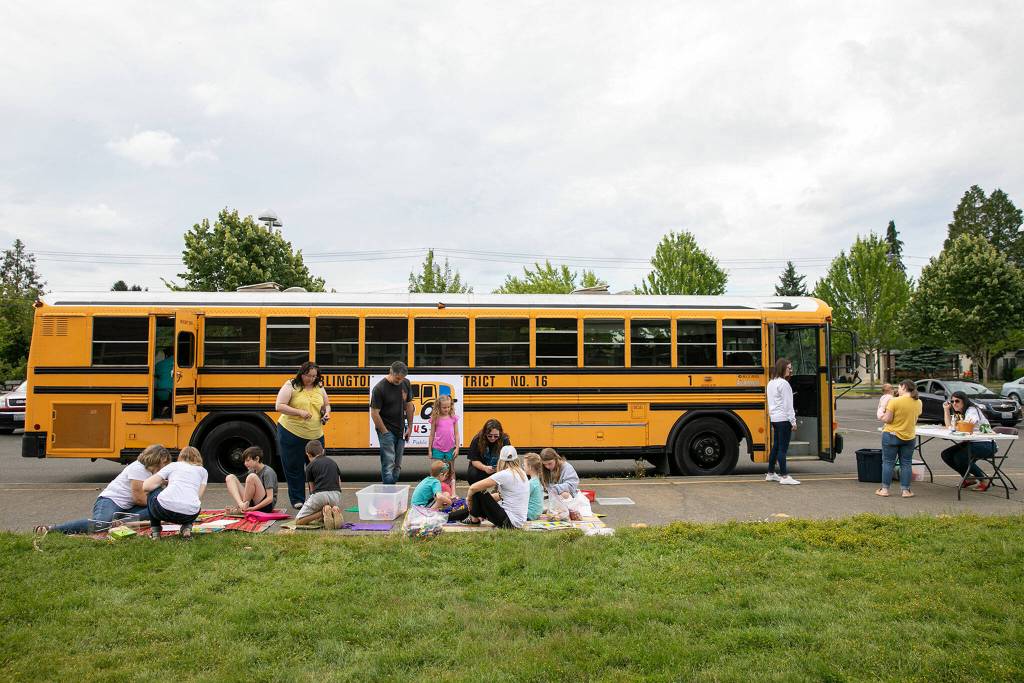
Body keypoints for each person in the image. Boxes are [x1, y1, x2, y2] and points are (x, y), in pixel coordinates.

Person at [36, 444, 172, 535]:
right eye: (165, 463)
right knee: (100, 525)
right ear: (158, 459)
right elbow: (139, 498)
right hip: (110, 501)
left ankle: (121, 522)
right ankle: (53, 529)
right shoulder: (138, 468)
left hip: (127, 507)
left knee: (157, 509)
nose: (166, 466)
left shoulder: (152, 472)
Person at [276, 361, 331, 509]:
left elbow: (326, 404)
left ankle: (317, 498)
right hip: (291, 432)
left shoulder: (319, 386)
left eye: (314, 376)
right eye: (308, 376)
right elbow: (279, 406)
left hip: (315, 434)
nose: (311, 379)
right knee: (294, 467)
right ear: (302, 373)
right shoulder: (291, 385)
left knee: (318, 467)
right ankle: (298, 499)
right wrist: (299, 412)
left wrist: (326, 413)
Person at [144, 446, 208, 540]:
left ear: (180, 457)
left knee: (152, 492)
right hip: (189, 515)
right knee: (192, 500)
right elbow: (198, 496)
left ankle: (155, 532)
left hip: (163, 510)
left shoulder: (173, 465)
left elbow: (146, 486)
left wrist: (162, 483)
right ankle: (186, 529)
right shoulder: (203, 471)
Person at [370, 361, 415, 485]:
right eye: (397, 379)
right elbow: (374, 412)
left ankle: (392, 487)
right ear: (391, 372)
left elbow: (409, 405)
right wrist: (384, 432)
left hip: (401, 428)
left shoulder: (405, 383)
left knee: (397, 464)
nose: (399, 381)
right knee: (388, 462)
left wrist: (410, 427)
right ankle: (388, 490)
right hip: (386, 429)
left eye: (401, 379)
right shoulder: (379, 388)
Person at [942, 390, 996, 492]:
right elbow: (949, 426)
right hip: (971, 442)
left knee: (960, 457)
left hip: (986, 443)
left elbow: (968, 425)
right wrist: (946, 410)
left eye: (957, 401)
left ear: (964, 401)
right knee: (946, 454)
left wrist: (955, 427)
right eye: (952, 401)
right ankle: (968, 477)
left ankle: (983, 480)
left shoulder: (972, 410)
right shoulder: (960, 412)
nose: (954, 404)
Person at [466, 445, 530, 529]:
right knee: (479, 496)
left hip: (508, 522)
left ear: (501, 460)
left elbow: (473, 487)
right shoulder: (521, 472)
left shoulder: (505, 474)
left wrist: (469, 499)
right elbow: (501, 496)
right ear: (516, 459)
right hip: (518, 521)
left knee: (478, 490)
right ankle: (473, 516)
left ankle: (474, 519)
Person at [878, 380, 923, 498]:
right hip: (909, 436)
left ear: (904, 387)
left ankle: (885, 490)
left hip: (891, 435)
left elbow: (887, 419)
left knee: (888, 462)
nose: (898, 390)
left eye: (899, 387)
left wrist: (881, 416)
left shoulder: (894, 401)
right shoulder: (918, 402)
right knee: (906, 463)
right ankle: (906, 490)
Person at [294, 440, 343, 529]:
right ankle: (333, 510)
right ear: (323, 451)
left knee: (298, 521)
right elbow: (339, 483)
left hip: (320, 495)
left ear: (308, 454)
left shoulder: (310, 466)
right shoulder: (333, 462)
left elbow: (312, 490)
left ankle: (323, 512)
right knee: (326, 503)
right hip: (336, 495)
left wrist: (317, 510)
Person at [766, 358, 800, 485]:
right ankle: (785, 476)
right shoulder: (784, 384)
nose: (791, 371)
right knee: (782, 449)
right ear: (782, 368)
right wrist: (793, 421)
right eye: (789, 368)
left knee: (776, 446)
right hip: (784, 419)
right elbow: (788, 405)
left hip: (774, 418)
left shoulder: (771, 383)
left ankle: (770, 473)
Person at [224, 446, 278, 513]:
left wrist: (254, 508)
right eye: (244, 461)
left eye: (248, 460)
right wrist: (244, 504)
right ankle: (241, 505)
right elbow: (249, 492)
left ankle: (243, 509)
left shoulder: (268, 472)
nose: (245, 463)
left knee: (252, 477)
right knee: (230, 477)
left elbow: (270, 498)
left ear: (257, 459)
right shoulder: (251, 471)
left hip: (266, 506)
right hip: (251, 502)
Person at [464, 418, 511, 486]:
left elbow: (509, 459)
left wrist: (500, 468)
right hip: (483, 467)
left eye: (496, 436)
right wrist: (484, 468)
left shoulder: (504, 439)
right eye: (489, 436)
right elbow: (474, 460)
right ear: (485, 433)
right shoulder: (477, 439)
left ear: (500, 433)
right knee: (472, 475)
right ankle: (478, 492)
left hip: (499, 467)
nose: (492, 438)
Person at [427, 394, 459, 477]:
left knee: (451, 470)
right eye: (444, 407)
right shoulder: (435, 418)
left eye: (448, 407)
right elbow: (431, 435)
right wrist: (430, 450)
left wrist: (457, 448)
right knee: (435, 470)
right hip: (437, 448)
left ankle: (452, 489)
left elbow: (457, 434)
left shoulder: (453, 418)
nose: (447, 409)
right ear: (438, 407)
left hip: (450, 448)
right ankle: (434, 488)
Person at [523, 452, 544, 521]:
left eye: (524, 465)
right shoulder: (537, 481)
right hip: (536, 513)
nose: (523, 467)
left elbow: (521, 497)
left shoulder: (531, 483)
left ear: (530, 467)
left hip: (529, 514)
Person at [154, 347, 174, 418]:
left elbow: (154, 374)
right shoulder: (180, 364)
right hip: (173, 395)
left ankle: (157, 414)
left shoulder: (160, 365)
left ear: (166, 355)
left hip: (161, 393)